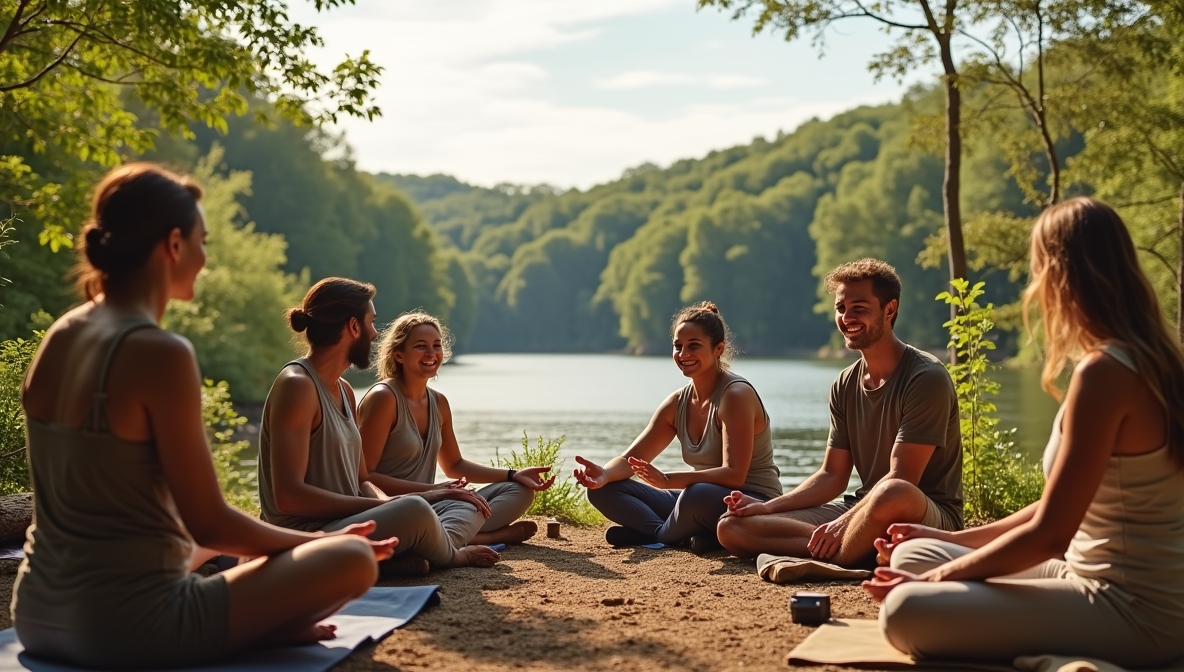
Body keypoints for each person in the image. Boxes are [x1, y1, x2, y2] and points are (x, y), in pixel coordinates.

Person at [12, 164, 396, 669]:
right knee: (348, 559)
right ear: (173, 244)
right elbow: (211, 521)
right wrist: (318, 541)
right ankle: (262, 629)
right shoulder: (159, 352)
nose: (205, 257)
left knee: (196, 547)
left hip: (36, 616)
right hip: (125, 629)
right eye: (202, 240)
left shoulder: (62, 334)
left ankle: (263, 621)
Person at [864, 198, 1184, 667]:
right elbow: (1060, 505)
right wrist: (955, 544)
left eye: (1038, 270)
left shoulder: (1106, 374)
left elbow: (1050, 533)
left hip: (1136, 608)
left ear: (1059, 275)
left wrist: (936, 581)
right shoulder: (1151, 357)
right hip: (1080, 570)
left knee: (904, 609)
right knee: (913, 553)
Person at [716, 259, 962, 567]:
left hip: (924, 513)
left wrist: (842, 525)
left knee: (894, 492)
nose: (847, 317)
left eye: (859, 307)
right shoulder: (845, 383)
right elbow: (832, 476)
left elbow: (904, 478)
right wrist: (767, 508)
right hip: (863, 507)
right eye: (841, 308)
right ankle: (851, 550)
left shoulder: (926, 377)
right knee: (730, 527)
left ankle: (844, 549)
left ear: (890, 309)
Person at [256, 279, 499, 573]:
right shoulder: (297, 385)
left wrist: (396, 503)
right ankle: (451, 555)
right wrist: (402, 504)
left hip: (350, 523)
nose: (374, 334)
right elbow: (289, 498)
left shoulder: (345, 390)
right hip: (307, 535)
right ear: (353, 327)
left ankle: (393, 557)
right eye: (371, 322)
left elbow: (363, 481)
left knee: (446, 505)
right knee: (417, 510)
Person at [573, 302, 782, 552]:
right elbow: (632, 459)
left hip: (750, 502)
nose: (683, 355)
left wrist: (666, 480)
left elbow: (734, 474)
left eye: (694, 346)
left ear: (718, 349)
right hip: (699, 502)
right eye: (678, 346)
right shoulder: (676, 403)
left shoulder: (735, 395)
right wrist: (603, 475)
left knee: (696, 494)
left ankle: (656, 535)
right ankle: (683, 537)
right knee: (602, 491)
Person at [357, 310, 555, 549]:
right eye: (421, 346)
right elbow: (365, 477)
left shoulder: (439, 402)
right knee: (441, 509)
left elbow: (454, 466)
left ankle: (435, 538)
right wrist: (435, 491)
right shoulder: (384, 398)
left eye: (436, 345)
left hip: (432, 504)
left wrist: (513, 474)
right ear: (399, 355)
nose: (431, 353)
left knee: (518, 492)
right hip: (392, 507)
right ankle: (485, 537)